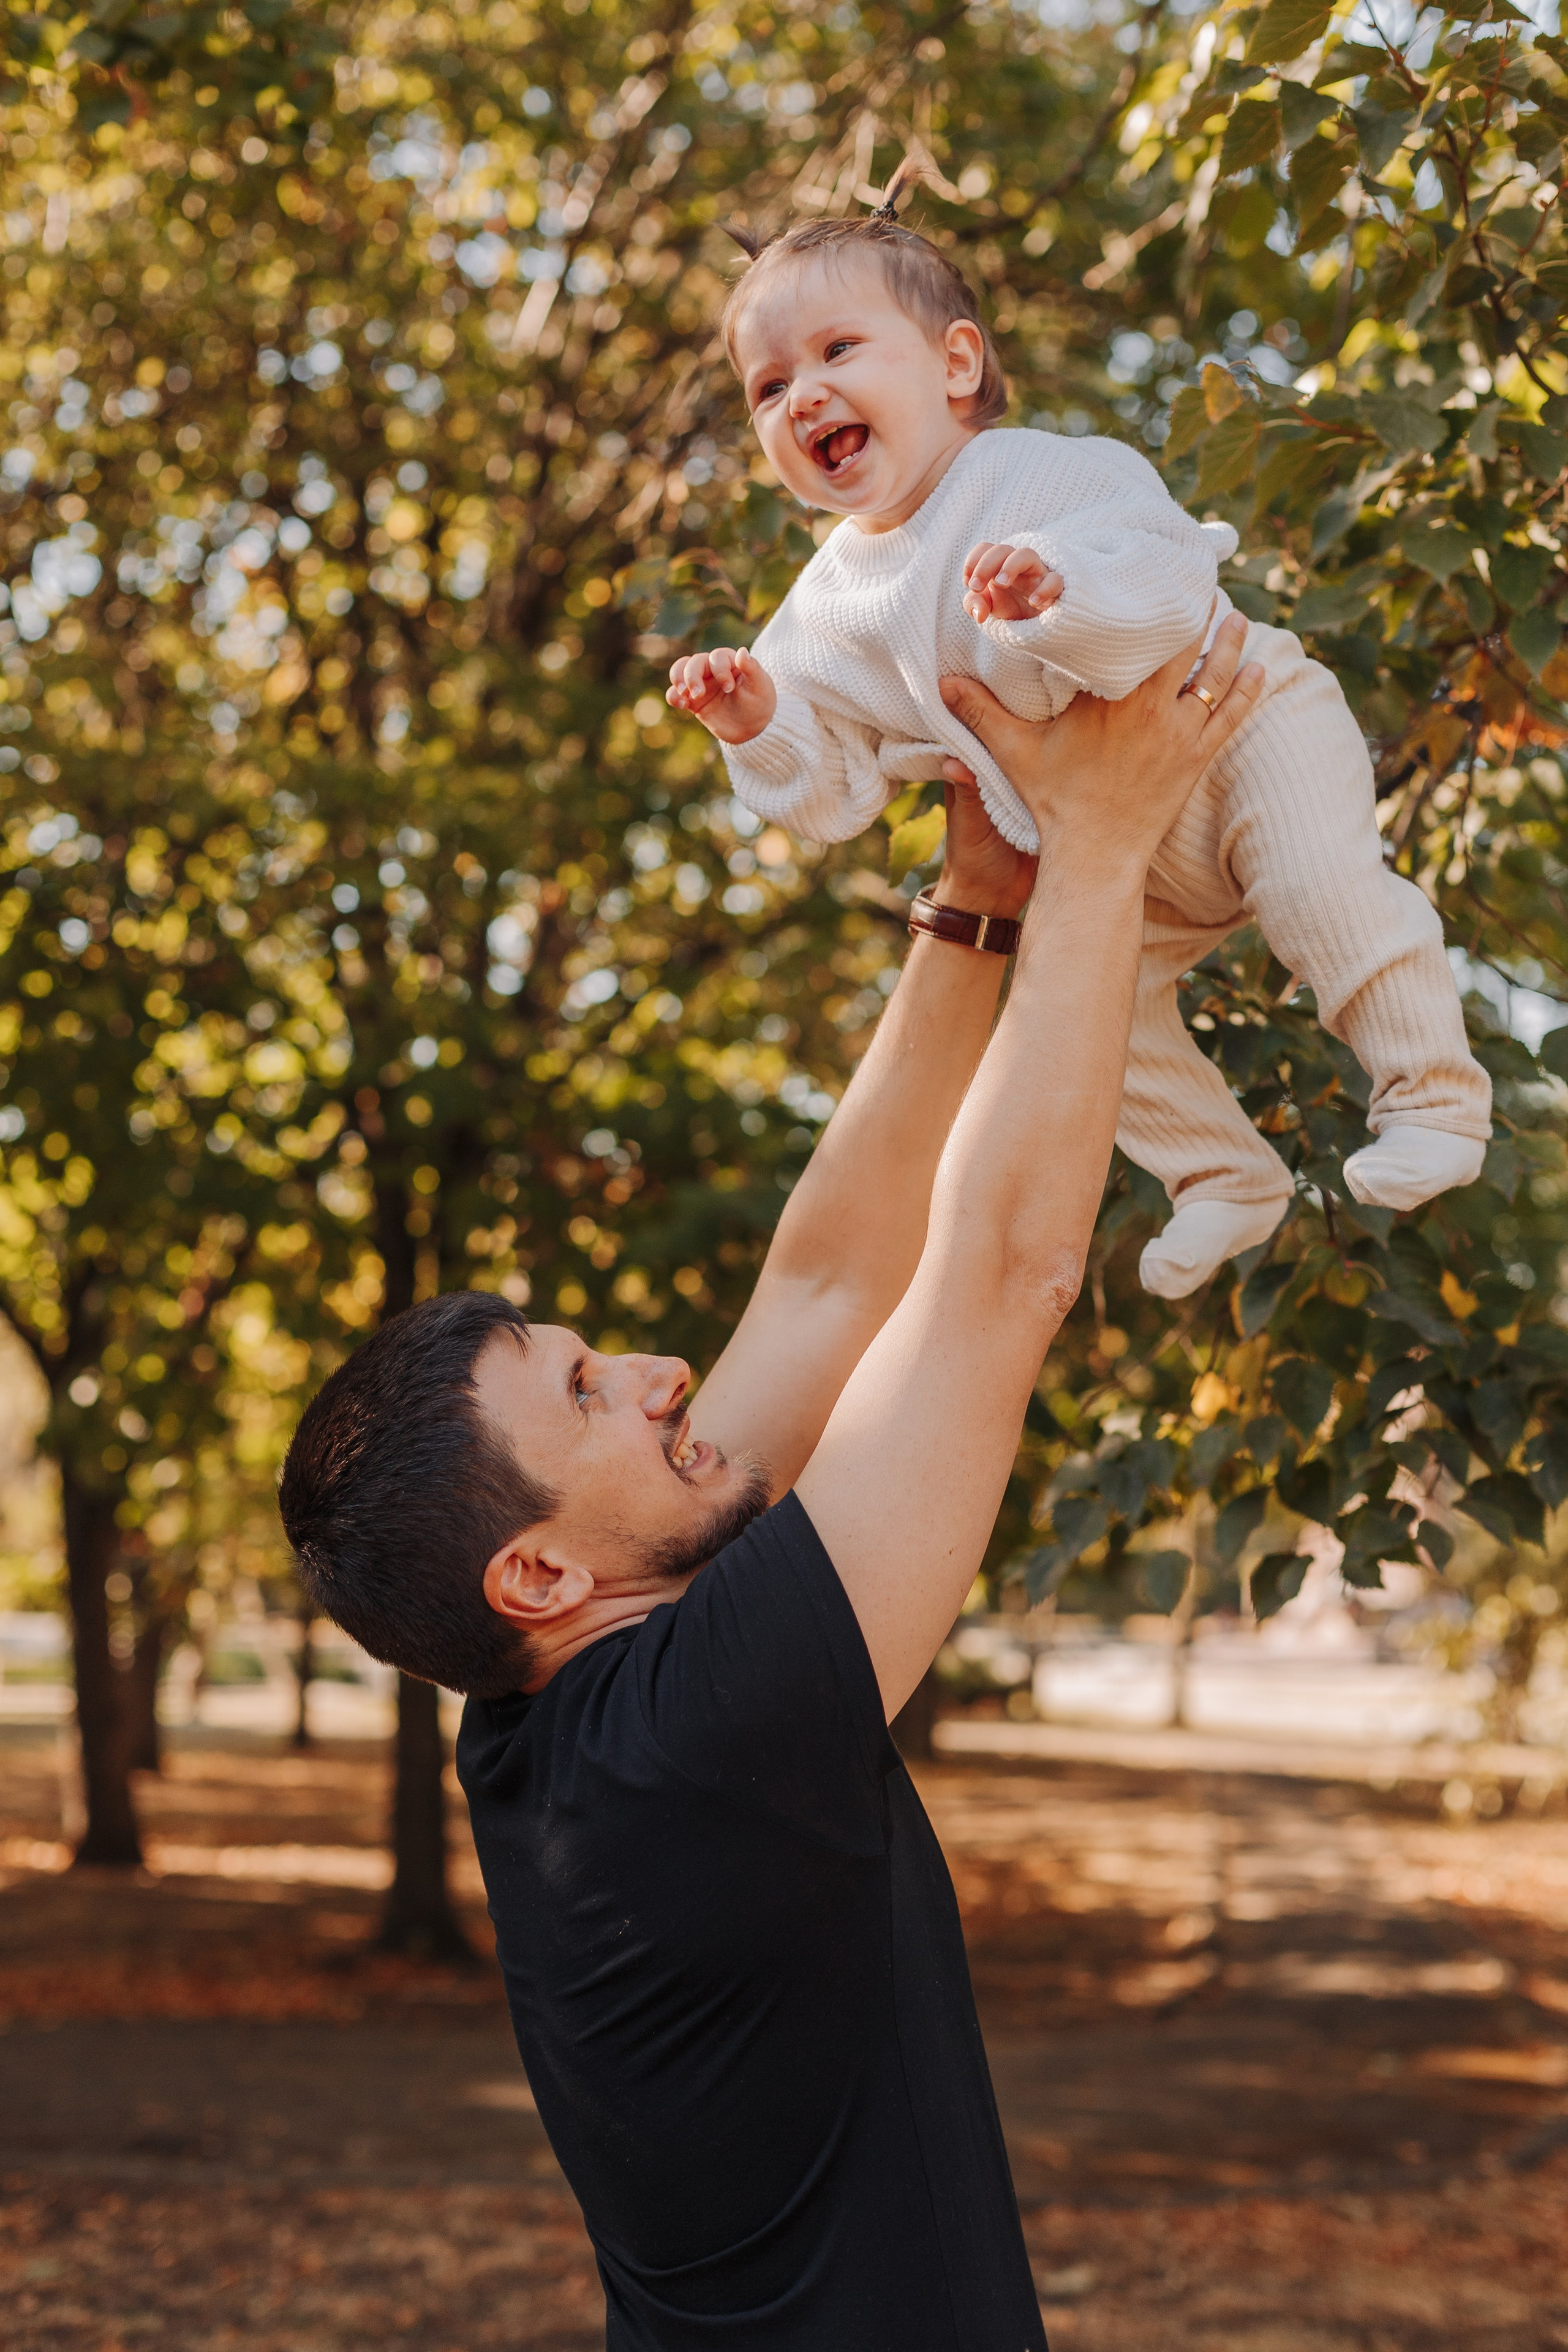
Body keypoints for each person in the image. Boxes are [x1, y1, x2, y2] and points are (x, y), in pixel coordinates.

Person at [279, 618, 1261, 2349]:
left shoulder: (547, 1712)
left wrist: (977, 904)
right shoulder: (695, 1738)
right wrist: (1105, 840)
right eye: (589, 1392)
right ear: (535, 1577)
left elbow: (822, 1285)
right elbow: (1003, 1279)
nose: (658, 1373)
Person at [665, 190, 1490, 1300]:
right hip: (1112, 851)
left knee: (1318, 890)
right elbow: (830, 797)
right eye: (768, 389)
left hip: (1244, 727)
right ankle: (1221, 1174)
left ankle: (1432, 1096)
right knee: (1091, 1005)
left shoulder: (1043, 473)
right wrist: (759, 722)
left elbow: (1161, 574)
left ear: (956, 363)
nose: (802, 393)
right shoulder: (818, 614)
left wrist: (1062, 591)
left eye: (837, 349)